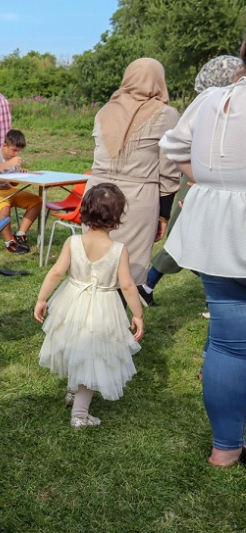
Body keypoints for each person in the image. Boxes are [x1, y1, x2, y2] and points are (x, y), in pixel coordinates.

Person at [158, 40, 246, 468]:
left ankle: (224, 449)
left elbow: (173, 147)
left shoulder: (212, 99)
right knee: (229, 343)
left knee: (229, 344)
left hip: (217, 224)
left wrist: (214, 182)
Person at [35, 183, 143, 429]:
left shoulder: (73, 242)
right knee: (94, 357)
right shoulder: (118, 250)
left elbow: (56, 272)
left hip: (72, 301)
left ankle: (73, 391)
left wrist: (42, 298)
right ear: (116, 218)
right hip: (103, 307)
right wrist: (137, 314)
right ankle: (80, 415)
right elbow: (127, 286)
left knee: (78, 346)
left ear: (84, 211)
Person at [139, 55, 244, 306]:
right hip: (200, 178)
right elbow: (176, 145)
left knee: (198, 237)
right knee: (186, 234)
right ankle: (149, 284)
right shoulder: (212, 102)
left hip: (205, 178)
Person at [86, 58, 180, 287]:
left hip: (96, 195)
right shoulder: (165, 114)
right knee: (127, 270)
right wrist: (163, 213)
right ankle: (114, 321)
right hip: (135, 200)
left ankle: (91, 320)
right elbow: (168, 171)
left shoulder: (105, 110)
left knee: (95, 266)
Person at [0, 129, 43, 254]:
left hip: (8, 189)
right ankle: (8, 243)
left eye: (18, 151)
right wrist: (9, 163)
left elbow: (13, 183)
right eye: (14, 150)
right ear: (5, 146)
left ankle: (20, 234)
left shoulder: (14, 159)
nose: (16, 153)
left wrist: (19, 174)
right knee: (5, 208)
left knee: (37, 201)